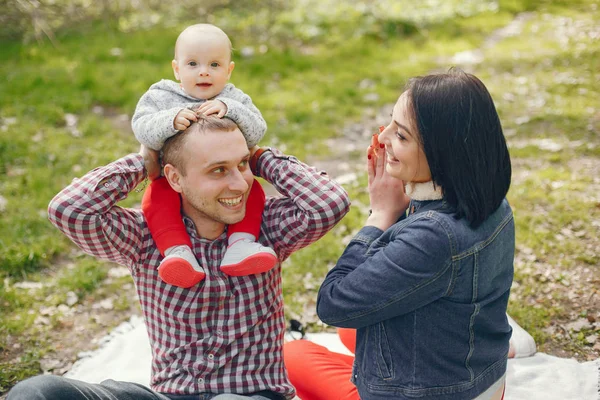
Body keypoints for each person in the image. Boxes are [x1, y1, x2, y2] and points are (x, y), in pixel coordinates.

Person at [8, 115, 350, 399]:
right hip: (169, 395)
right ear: (174, 177)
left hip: (253, 395)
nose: (240, 184)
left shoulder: (268, 229)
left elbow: (329, 203)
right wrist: (143, 164)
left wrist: (261, 158)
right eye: (218, 170)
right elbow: (69, 211)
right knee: (38, 392)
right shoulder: (144, 237)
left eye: (242, 164)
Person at [284, 69, 514, 400]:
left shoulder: (434, 235)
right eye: (390, 123)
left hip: (438, 394)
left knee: (294, 354)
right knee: (351, 332)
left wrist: (381, 214)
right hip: (485, 379)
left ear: (443, 153)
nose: (382, 139)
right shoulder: (490, 200)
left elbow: (333, 302)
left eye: (402, 136)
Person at [132, 23, 276, 288]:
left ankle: (242, 243)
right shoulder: (162, 96)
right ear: (176, 68)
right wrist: (169, 120)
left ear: (229, 70)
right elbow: (141, 127)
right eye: (193, 64)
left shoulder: (233, 98)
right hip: (174, 178)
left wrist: (229, 109)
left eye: (214, 65)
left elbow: (257, 130)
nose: (203, 72)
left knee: (251, 190)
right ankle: (177, 252)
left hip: (222, 174)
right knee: (156, 200)